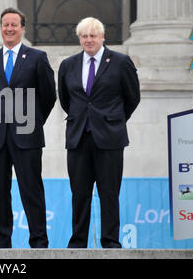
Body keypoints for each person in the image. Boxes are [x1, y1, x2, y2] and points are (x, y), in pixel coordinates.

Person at [58, 17, 140, 248]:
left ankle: (111, 242)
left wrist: (113, 119)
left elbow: (132, 97)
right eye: (84, 36)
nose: (88, 40)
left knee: (109, 193)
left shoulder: (121, 62)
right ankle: (78, 243)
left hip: (110, 138)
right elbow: (67, 100)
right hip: (78, 138)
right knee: (79, 194)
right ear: (79, 39)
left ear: (102, 37)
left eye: (93, 35)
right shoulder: (68, 65)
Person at [0, 7, 56, 248]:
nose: (9, 28)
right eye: (5, 24)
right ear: (0, 28)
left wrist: (32, 120)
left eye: (14, 24)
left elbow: (48, 95)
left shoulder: (37, 57)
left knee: (31, 190)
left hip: (27, 136)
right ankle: (1, 242)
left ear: (23, 28)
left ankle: (39, 242)